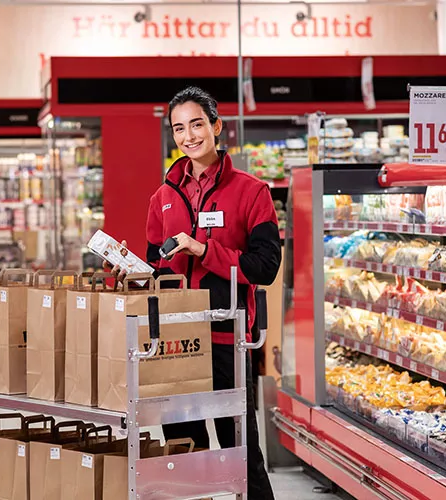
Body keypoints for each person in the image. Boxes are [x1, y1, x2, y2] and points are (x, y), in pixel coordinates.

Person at [113, 86, 281, 498]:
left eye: (197, 124)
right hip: (175, 340)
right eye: (179, 128)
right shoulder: (163, 198)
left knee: (241, 454)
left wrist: (203, 249)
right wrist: (127, 270)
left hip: (226, 339)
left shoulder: (252, 192)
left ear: (216, 127)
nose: (189, 136)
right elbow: (157, 271)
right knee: (184, 455)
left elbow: (266, 267)